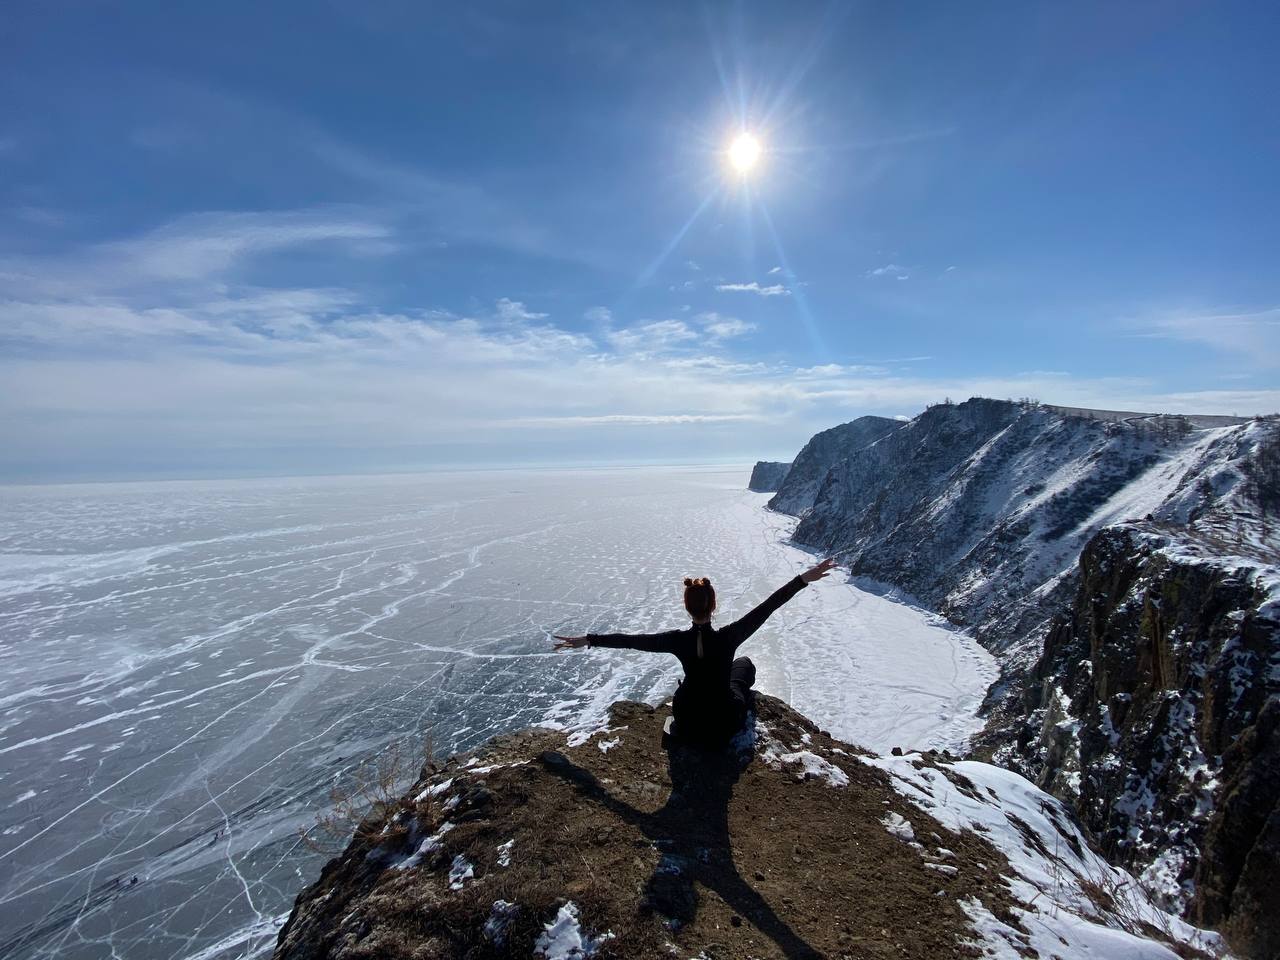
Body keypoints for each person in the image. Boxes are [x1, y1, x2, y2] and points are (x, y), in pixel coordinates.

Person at [553, 558, 837, 748]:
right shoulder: (730, 636)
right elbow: (769, 605)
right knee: (743, 668)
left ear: (687, 607)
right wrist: (803, 578)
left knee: (716, 679)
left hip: (687, 719)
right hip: (723, 723)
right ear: (713, 606)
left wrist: (588, 640)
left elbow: (630, 640)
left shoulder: (675, 641)